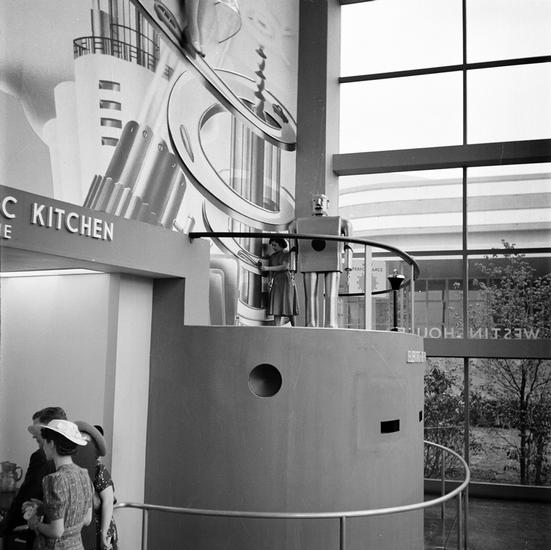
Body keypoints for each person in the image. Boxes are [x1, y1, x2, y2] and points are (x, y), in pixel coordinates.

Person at [0, 407, 67, 550]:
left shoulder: (40, 457)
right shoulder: (80, 470)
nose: (34, 436)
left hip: (48, 539)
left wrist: (4, 527)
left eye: (38, 431)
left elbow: (27, 497)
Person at [24, 419, 93, 550]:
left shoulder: (54, 480)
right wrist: (45, 507)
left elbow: (56, 531)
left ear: (51, 444)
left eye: (45, 442)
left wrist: (35, 524)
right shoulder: (84, 474)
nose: (43, 446)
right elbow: (87, 519)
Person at [290, 194, 353, 328]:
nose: (318, 203)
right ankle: (311, 323)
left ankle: (331, 323)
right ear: (311, 203)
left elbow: (349, 246)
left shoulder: (341, 223)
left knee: (331, 295)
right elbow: (293, 248)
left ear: (328, 203)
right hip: (309, 259)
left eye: (322, 200)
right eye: (315, 200)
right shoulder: (297, 224)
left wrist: (348, 266)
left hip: (332, 259)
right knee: (310, 296)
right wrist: (292, 267)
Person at [76, 424, 117, 550]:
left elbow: (108, 502)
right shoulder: (75, 467)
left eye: (86, 443)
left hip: (99, 528)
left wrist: (104, 534)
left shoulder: (99, 468)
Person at [261, 238, 298, 326]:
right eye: (272, 245)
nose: (273, 247)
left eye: (275, 245)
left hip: (286, 280)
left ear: (281, 244)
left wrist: (268, 268)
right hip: (277, 281)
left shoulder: (287, 253)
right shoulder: (272, 256)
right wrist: (270, 279)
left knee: (289, 305)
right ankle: (277, 328)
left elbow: (285, 266)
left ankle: (295, 328)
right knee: (276, 306)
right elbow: (271, 270)